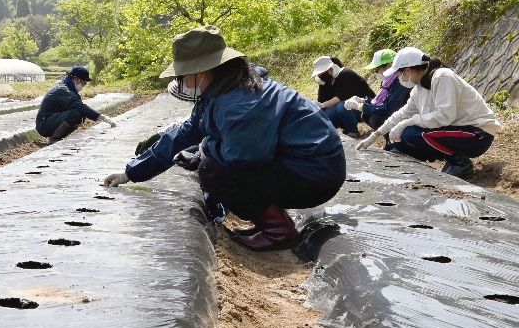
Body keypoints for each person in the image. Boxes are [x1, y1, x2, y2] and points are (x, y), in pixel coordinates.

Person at [102, 26, 346, 251]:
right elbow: (185, 132)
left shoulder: (239, 103)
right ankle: (272, 220)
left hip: (315, 174)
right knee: (211, 161)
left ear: (202, 72)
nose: (183, 81)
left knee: (213, 170)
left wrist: (206, 146)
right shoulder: (225, 88)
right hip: (303, 164)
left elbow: (244, 158)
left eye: (184, 75)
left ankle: (279, 231)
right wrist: (131, 172)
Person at [356, 47, 500, 179]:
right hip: (457, 131)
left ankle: (461, 163)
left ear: (408, 71)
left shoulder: (443, 76)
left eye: (399, 74)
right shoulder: (419, 88)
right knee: (400, 139)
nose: (400, 78)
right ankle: (448, 159)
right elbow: (401, 114)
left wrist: (407, 122)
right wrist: (374, 136)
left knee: (411, 133)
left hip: (478, 134)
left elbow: (444, 116)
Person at [34, 65, 115, 142]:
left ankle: (59, 136)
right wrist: (102, 117)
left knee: (80, 113)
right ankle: (55, 138)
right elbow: (80, 106)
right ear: (77, 80)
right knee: (76, 113)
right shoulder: (63, 90)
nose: (83, 86)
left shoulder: (69, 88)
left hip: (51, 120)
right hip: (44, 124)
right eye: (84, 83)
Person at [314, 55, 375, 137]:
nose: (320, 75)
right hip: (348, 108)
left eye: (321, 72)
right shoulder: (327, 82)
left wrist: (322, 105)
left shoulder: (346, 74)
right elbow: (322, 101)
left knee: (342, 106)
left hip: (366, 105)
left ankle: (353, 131)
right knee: (324, 116)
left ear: (330, 68)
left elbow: (339, 98)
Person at [349, 48, 409, 130]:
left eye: (377, 69)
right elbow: (381, 102)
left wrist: (362, 107)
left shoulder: (401, 82)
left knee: (376, 118)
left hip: (405, 119)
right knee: (368, 115)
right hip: (397, 117)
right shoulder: (387, 82)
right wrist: (363, 101)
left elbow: (391, 108)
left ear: (389, 66)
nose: (376, 72)